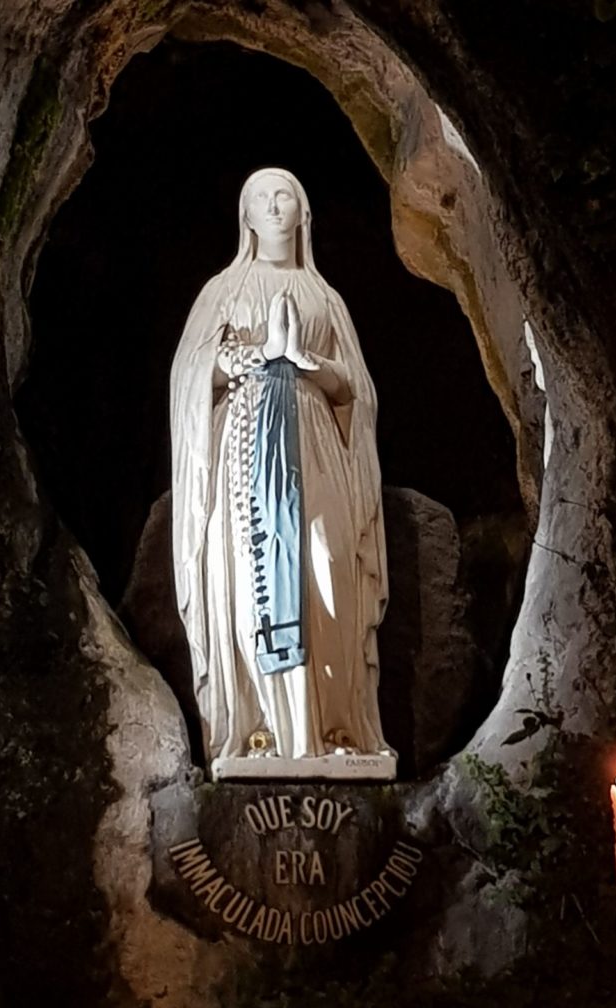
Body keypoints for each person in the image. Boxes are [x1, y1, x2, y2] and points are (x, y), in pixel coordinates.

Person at [170, 168, 392, 777]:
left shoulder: (325, 299)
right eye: (260, 199)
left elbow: (356, 390)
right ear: (243, 216)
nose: (273, 207)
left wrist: (305, 361)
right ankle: (267, 729)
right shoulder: (223, 290)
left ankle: (329, 726)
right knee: (254, 582)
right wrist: (235, 359)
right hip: (245, 453)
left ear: (303, 211)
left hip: (314, 448)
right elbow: (189, 375)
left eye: (284, 195)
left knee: (324, 568)